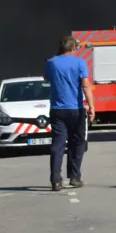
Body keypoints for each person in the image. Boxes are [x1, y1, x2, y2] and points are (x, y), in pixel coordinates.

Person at [44, 35, 95, 191]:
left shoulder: (51, 62)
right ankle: (74, 177)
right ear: (73, 48)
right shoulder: (80, 63)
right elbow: (86, 86)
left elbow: (46, 79)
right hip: (76, 109)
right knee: (77, 142)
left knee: (58, 144)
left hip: (57, 110)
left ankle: (55, 179)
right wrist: (92, 106)